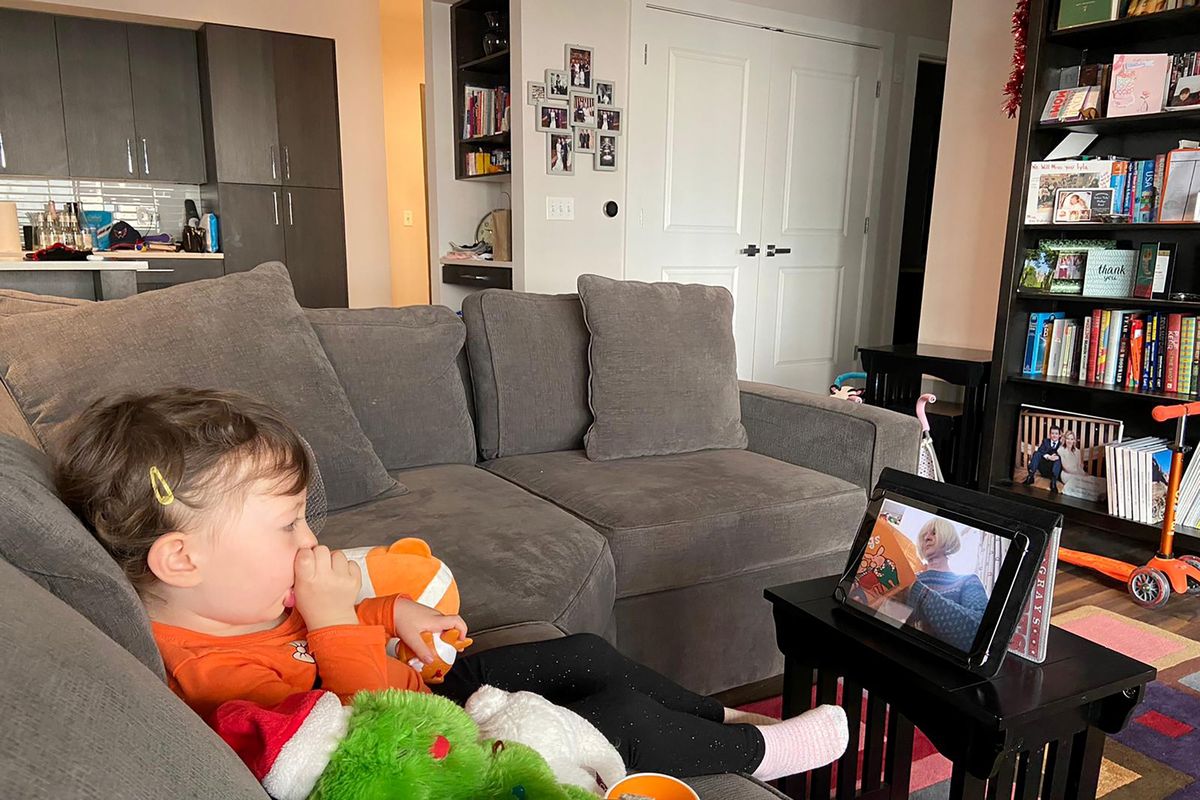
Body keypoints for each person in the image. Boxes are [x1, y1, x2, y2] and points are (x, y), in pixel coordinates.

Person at [55, 388, 848, 781]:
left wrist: (389, 609)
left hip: (425, 685)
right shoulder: (216, 680)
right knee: (617, 718)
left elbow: (321, 631)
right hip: (433, 743)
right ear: (181, 560)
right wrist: (333, 621)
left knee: (582, 651)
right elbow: (371, 723)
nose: (310, 542)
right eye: (288, 525)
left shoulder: (234, 601)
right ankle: (757, 753)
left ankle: (716, 714)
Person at [903, 519, 987, 652]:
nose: (927, 538)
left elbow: (978, 635)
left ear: (948, 537)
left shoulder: (968, 581)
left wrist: (918, 590)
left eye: (934, 533)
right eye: (924, 535)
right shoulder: (906, 579)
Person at [1022, 424, 1063, 492]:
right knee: (1037, 453)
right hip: (1044, 468)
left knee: (1058, 459)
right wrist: (1048, 457)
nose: (1054, 435)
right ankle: (1030, 476)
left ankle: (1053, 482)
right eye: (1052, 433)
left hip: (1053, 470)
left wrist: (1056, 457)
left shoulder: (1061, 445)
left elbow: (1063, 457)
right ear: (1050, 434)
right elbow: (1040, 451)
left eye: (1056, 433)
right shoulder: (1045, 441)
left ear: (1059, 435)